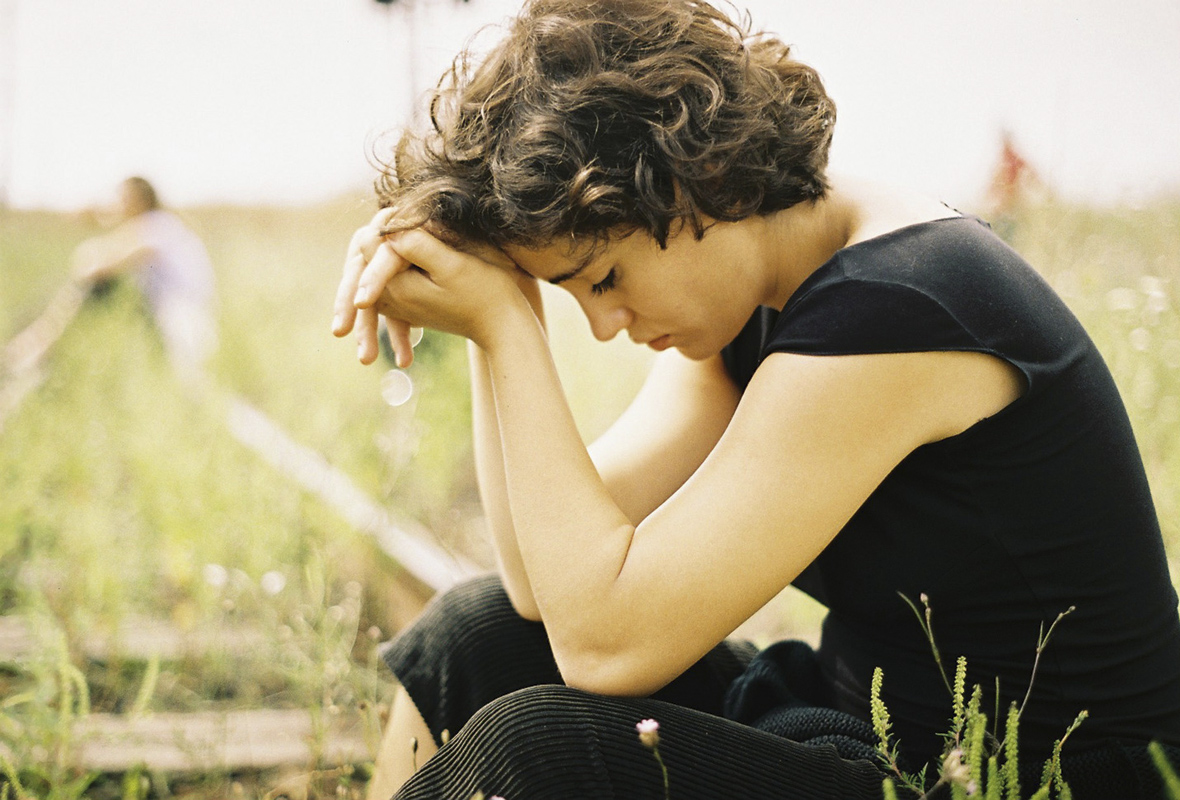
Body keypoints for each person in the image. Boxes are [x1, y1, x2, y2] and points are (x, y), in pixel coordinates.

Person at [332, 1, 1180, 797]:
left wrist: (507, 331)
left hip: (1030, 775)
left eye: (607, 278)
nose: (603, 325)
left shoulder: (897, 307)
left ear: (701, 182)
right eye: (572, 293)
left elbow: (605, 644)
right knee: (474, 633)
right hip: (872, 726)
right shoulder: (759, 295)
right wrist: (499, 313)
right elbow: (536, 586)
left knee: (539, 749)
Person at [71, 177, 218, 386]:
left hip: (184, 312)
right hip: (179, 310)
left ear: (140, 201)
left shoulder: (157, 226)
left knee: (192, 381)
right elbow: (106, 249)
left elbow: (107, 264)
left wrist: (86, 264)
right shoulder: (155, 224)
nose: (119, 206)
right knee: (183, 380)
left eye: (124, 199)